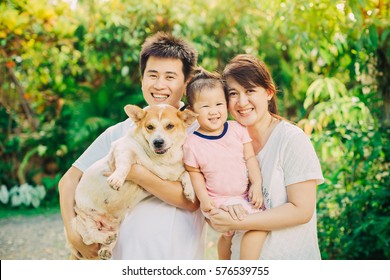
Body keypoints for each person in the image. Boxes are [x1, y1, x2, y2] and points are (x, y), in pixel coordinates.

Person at [58, 32, 206, 260]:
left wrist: (135, 173)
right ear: (142, 79)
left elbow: (192, 200)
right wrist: (73, 234)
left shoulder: (198, 131)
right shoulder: (120, 132)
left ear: (186, 82)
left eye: (170, 77)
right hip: (124, 257)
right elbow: (68, 181)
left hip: (176, 256)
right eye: (152, 75)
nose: (159, 85)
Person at [208, 54, 324, 260]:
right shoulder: (226, 145)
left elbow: (302, 210)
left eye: (250, 90)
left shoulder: (291, 140)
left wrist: (237, 222)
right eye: (233, 93)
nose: (242, 102)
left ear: (269, 92)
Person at [182, 69, 267, 260]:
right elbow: (194, 173)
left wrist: (257, 185)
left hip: (243, 195)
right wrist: (204, 199)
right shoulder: (192, 142)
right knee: (255, 227)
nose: (214, 111)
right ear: (192, 110)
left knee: (235, 232)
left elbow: (250, 159)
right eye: (205, 107)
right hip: (217, 199)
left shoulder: (237, 129)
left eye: (219, 104)